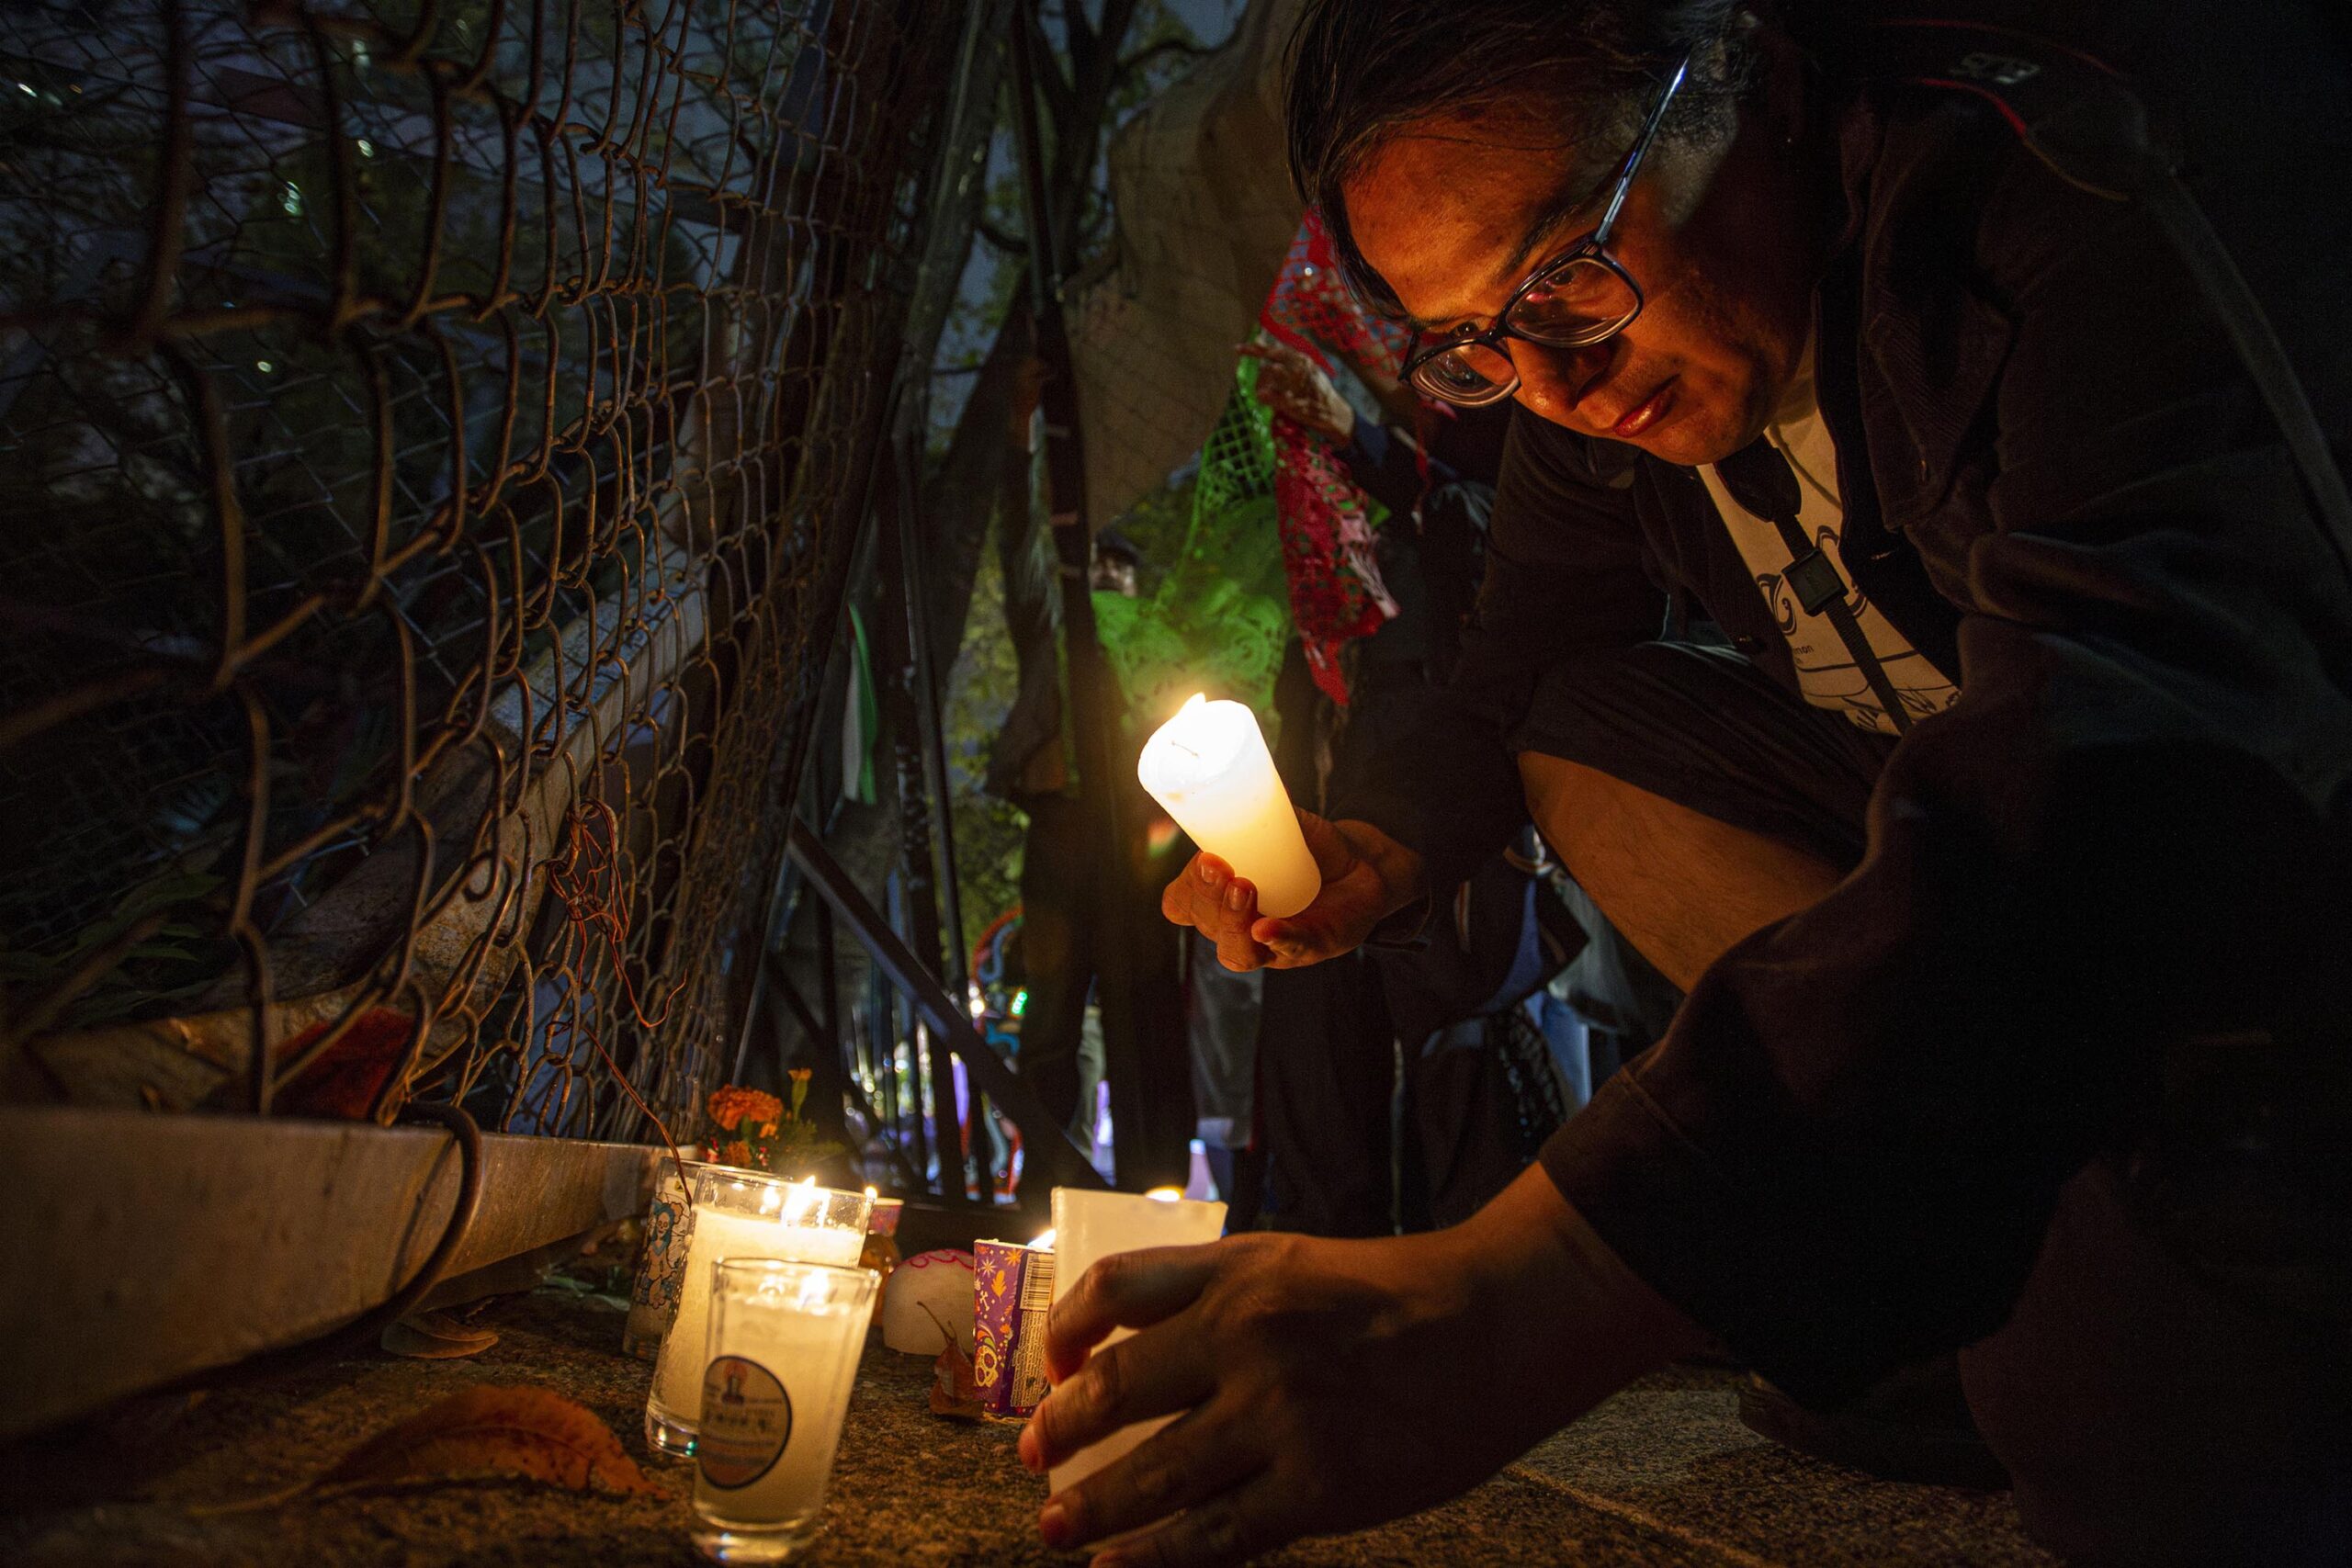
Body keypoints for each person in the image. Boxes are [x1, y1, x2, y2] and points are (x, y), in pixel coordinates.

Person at [1018, 2, 2352, 1564]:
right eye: (1471, 345)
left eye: (1567, 266)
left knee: (2168, 1473)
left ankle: (2129, 1208)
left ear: (1745, 80)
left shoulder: (2057, 192)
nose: (1557, 381)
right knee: (1588, 729)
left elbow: (2130, 752)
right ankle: (1970, 1244)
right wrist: (1384, 839)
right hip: (2013, 887)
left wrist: (1522, 1293)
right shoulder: (1589, 407)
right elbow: (1515, 665)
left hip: (2263, 876)